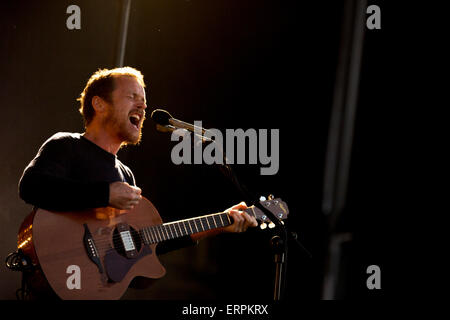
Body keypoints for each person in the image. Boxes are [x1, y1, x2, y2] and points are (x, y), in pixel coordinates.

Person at [18, 67, 258, 299]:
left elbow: (143, 242)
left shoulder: (126, 175)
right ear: (99, 104)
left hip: (95, 289)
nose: (143, 106)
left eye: (144, 100)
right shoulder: (66, 145)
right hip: (55, 277)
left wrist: (220, 222)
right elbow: (31, 186)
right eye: (132, 96)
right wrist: (104, 194)